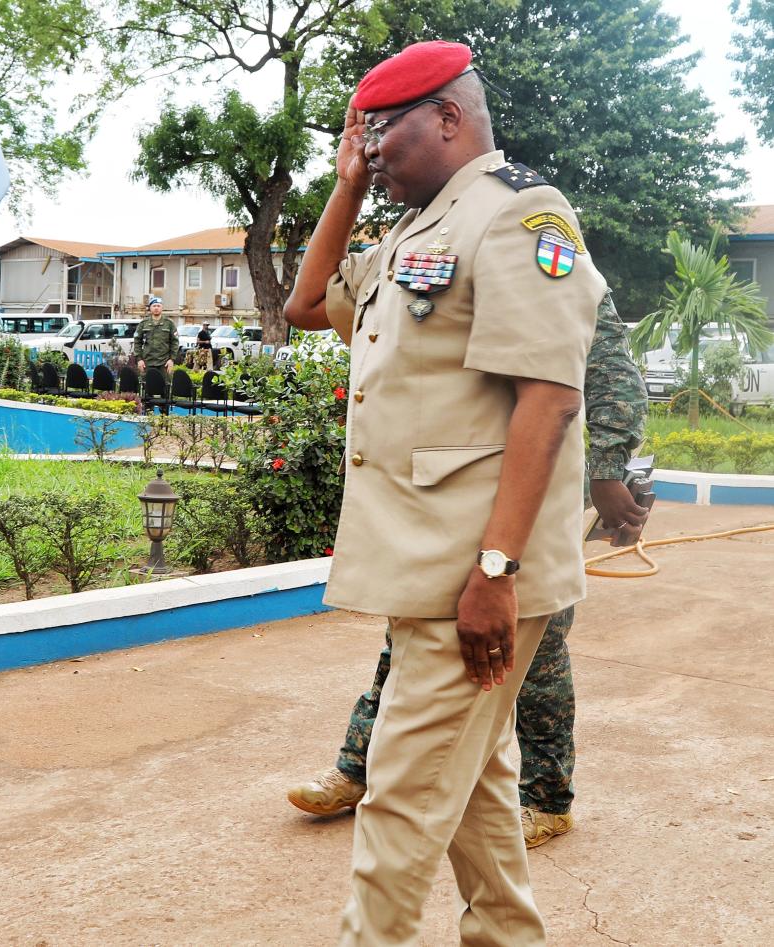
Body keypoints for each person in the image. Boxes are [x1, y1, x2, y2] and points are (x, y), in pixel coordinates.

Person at [283, 41, 606, 943]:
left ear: (450, 118)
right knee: (479, 792)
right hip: (426, 567)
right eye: (362, 135)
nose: (371, 147)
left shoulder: (519, 215)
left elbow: (547, 396)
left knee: (400, 799)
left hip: (472, 568)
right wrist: (347, 185)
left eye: (382, 130)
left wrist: (495, 569)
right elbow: (308, 304)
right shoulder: (415, 230)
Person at [286, 290, 649, 850]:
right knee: (415, 630)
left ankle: (548, 798)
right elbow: (316, 309)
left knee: (536, 647)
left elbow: (609, 374)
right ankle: (362, 766)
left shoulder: (535, 245)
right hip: (451, 485)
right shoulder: (440, 241)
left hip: (532, 490)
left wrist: (604, 470)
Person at [133, 295, 177, 379]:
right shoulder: (143, 323)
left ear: (162, 308)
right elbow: (137, 341)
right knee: (148, 387)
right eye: (154, 306)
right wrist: (139, 360)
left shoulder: (169, 323)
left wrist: (172, 360)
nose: (156, 308)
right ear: (150, 308)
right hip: (147, 362)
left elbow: (174, 342)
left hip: (164, 362)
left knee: (165, 387)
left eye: (158, 306)